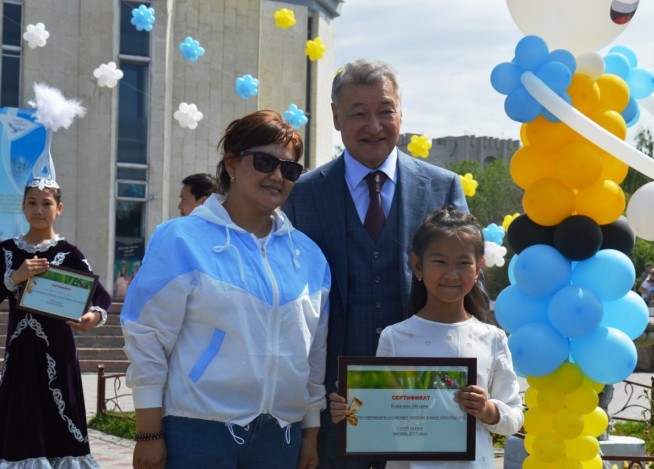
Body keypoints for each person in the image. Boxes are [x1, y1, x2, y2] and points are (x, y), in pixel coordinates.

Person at [283, 59, 472, 468]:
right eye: (358, 114)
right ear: (336, 117)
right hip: (333, 402)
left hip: (423, 394)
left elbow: (470, 288)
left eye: (385, 111)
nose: (374, 126)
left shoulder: (442, 187)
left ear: (401, 113)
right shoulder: (302, 195)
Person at [121, 110, 330, 469]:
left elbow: (314, 354)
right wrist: (149, 433)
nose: (277, 176)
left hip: (281, 436)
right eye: (265, 162)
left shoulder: (309, 256)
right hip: (197, 429)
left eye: (289, 169)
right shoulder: (181, 239)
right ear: (231, 164)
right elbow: (147, 337)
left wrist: (310, 431)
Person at [329, 207, 524, 468]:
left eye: (463, 263)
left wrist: (488, 410)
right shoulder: (395, 337)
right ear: (418, 266)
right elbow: (380, 412)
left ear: (478, 268)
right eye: (440, 262)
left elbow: (515, 416)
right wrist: (351, 409)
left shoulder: (492, 338)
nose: (452, 274)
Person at [0, 177, 111, 467]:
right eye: (32, 203)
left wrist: (92, 317)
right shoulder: (7, 252)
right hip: (21, 356)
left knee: (61, 422)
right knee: (21, 420)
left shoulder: (69, 253)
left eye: (46, 203)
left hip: (58, 355)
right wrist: (16, 277)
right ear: (23, 207)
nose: (39, 210)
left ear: (59, 208)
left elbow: (101, 296)